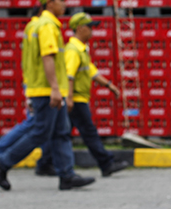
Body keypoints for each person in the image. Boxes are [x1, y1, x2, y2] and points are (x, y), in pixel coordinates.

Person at [0, 0, 96, 191]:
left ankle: (67, 175)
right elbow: (48, 58)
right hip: (48, 90)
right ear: (50, 2)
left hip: (45, 88)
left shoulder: (35, 24)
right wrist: (55, 88)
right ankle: (2, 162)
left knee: (60, 132)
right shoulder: (47, 26)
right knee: (41, 132)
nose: (65, 4)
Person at [35, 12, 128, 177]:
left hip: (77, 98)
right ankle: (106, 164)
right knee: (88, 131)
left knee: (60, 132)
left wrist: (109, 85)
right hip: (75, 99)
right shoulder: (73, 50)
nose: (92, 31)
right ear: (80, 28)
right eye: (90, 27)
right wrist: (69, 99)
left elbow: (91, 71)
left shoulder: (81, 50)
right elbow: (69, 76)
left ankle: (44, 163)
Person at [0, 6, 53, 173]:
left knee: (47, 126)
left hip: (34, 84)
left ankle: (46, 162)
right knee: (35, 124)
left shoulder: (32, 28)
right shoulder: (40, 28)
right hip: (37, 85)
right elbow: (39, 61)